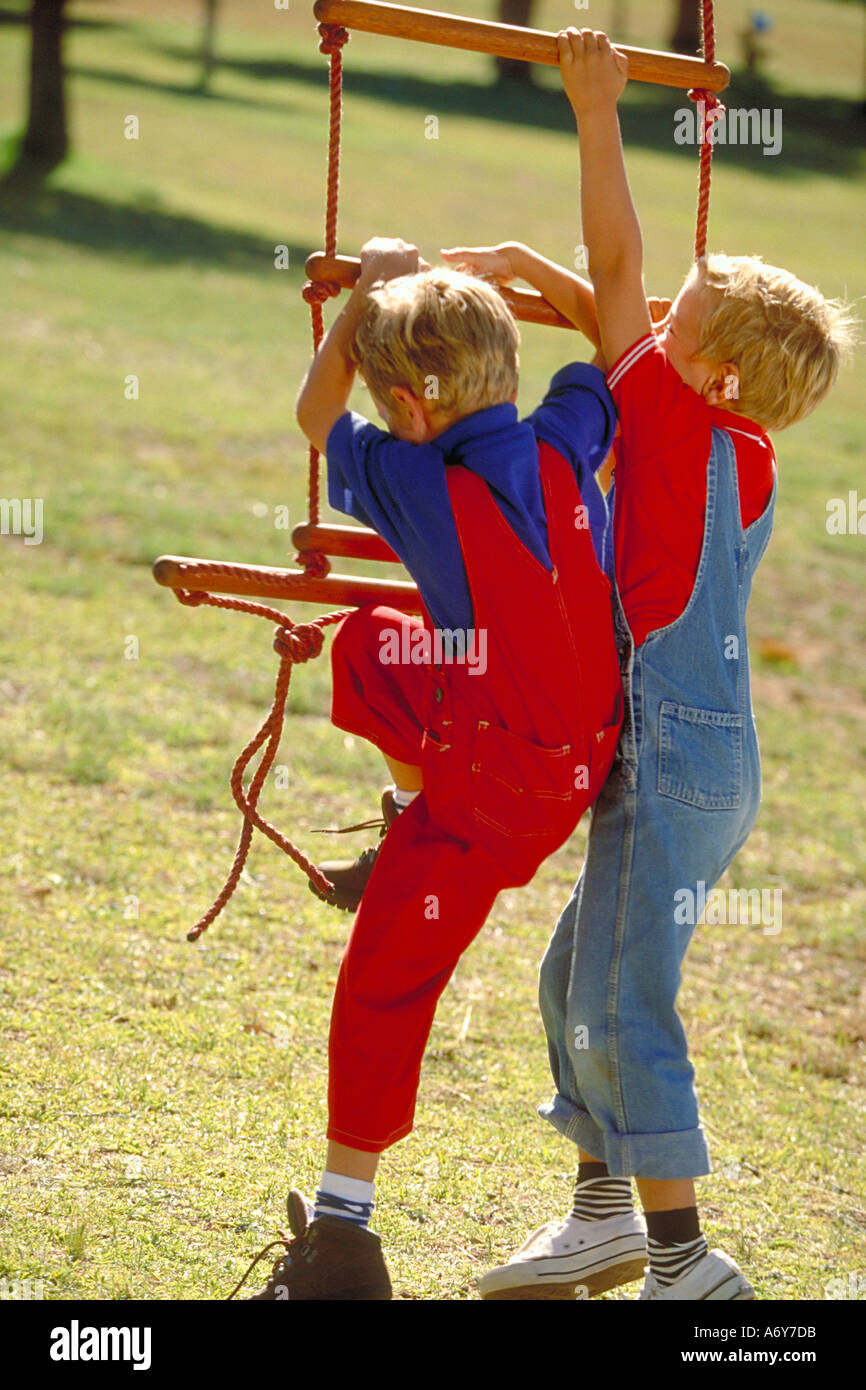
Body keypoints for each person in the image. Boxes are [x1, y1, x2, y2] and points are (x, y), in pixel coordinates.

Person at [444, 28, 854, 1301]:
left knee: (623, 998)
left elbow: (616, 265)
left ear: (705, 363)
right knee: (575, 970)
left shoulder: (671, 416)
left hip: (670, 756)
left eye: (674, 314)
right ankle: (600, 1214)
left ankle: (685, 1262)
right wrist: (542, 281)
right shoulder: (734, 443)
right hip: (708, 768)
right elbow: (620, 300)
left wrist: (595, 109)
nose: (645, 305)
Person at [242, 237, 624, 1299]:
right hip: (569, 758)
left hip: (485, 798)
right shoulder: (564, 433)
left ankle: (343, 1244)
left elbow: (314, 415)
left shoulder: (415, 477)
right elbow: (613, 330)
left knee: (382, 979)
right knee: (374, 640)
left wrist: (366, 282)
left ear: (409, 407)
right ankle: (398, 805)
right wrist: (527, 266)